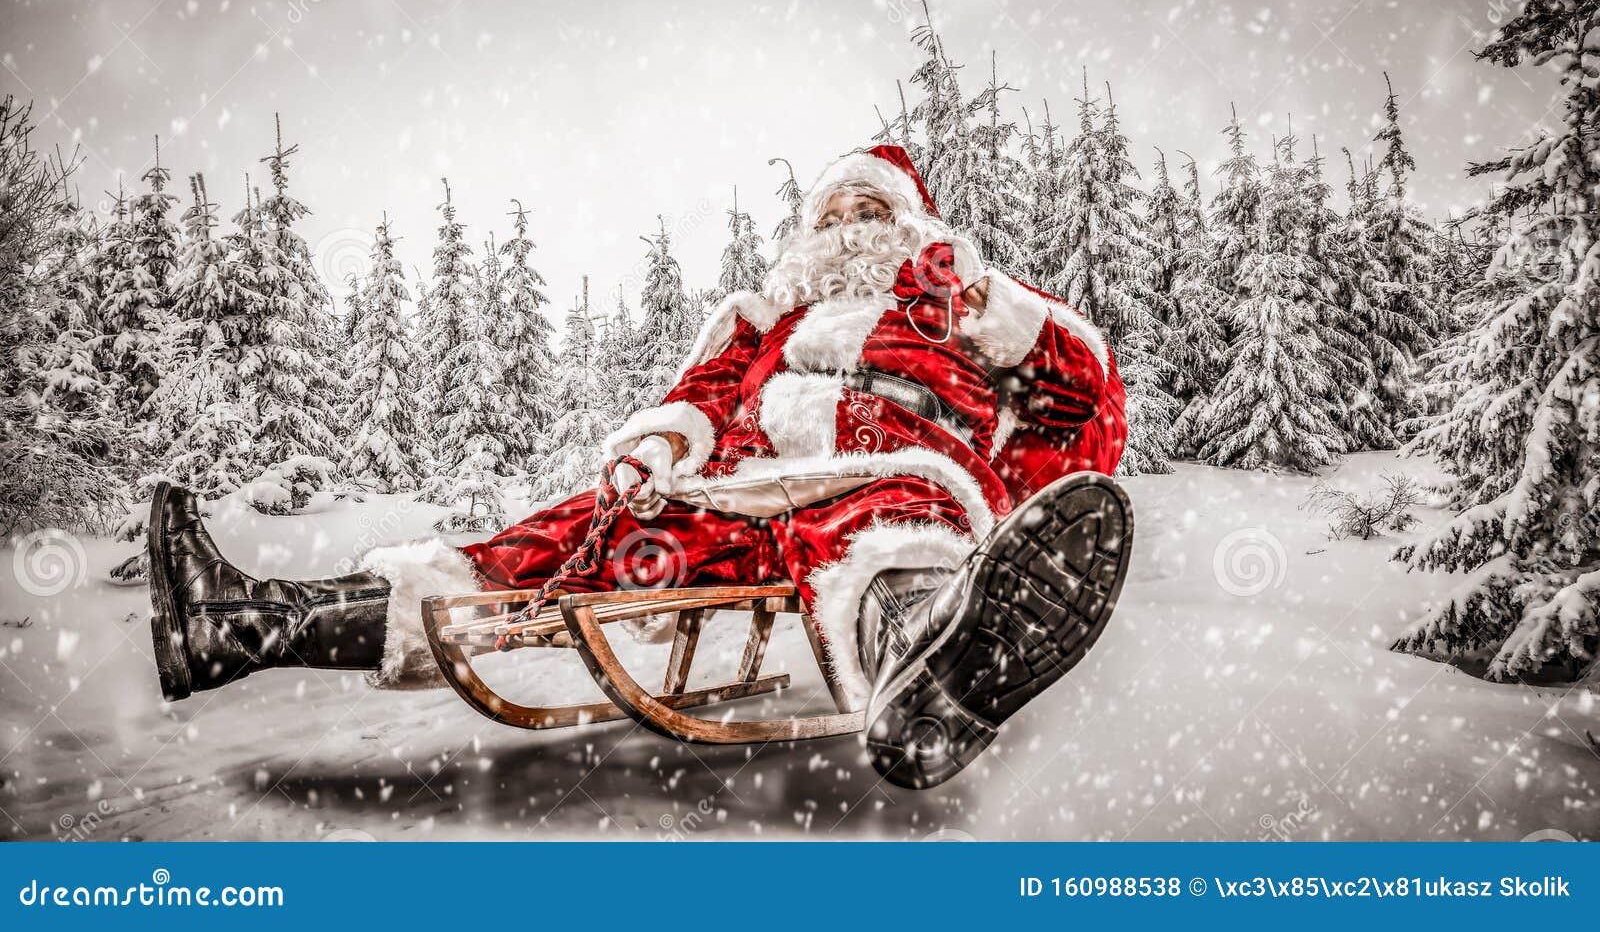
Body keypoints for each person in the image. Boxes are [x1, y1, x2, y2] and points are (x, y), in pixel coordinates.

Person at [147, 145, 1133, 789]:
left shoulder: (958, 312)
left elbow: (1083, 412)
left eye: (869, 209)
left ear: (911, 223)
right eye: (832, 212)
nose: (848, 226)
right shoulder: (766, 323)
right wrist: (654, 454)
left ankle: (928, 660)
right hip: (734, 505)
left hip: (895, 486)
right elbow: (696, 403)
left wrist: (1017, 344)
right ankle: (246, 623)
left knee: (885, 512)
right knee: (549, 543)